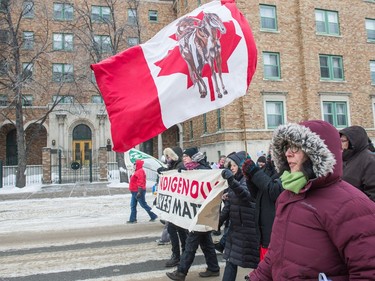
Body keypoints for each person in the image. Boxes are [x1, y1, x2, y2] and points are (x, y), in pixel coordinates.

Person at [248, 120, 375, 281]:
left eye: (296, 147)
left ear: (317, 154)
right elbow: (274, 256)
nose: (288, 153)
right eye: (287, 147)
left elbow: (368, 271)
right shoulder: (286, 197)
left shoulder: (352, 205)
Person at [166, 147, 220, 281]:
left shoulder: (203, 170)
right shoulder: (190, 169)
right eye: (183, 156)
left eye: (186, 156)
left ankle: (181, 272)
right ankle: (213, 268)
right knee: (206, 243)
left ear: (193, 157)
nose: (184, 158)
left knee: (191, 244)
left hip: (202, 212)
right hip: (195, 212)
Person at [219, 151, 259, 281]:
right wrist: (216, 223)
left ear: (241, 166)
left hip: (249, 230)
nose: (232, 168)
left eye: (234, 165)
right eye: (230, 165)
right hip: (235, 229)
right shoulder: (234, 181)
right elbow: (229, 207)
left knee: (257, 262)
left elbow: (246, 195)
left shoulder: (248, 180)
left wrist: (231, 180)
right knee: (230, 260)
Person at [242, 154, 284, 261]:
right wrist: (249, 177)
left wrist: (254, 172)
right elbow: (256, 195)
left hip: (275, 233)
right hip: (263, 233)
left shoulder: (286, 170)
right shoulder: (267, 168)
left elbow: (274, 191)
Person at [158, 147, 188, 267]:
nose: (167, 158)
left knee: (178, 230)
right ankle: (179, 254)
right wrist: (163, 172)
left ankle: (179, 255)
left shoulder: (180, 166)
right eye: (167, 156)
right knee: (175, 230)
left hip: (179, 204)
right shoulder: (173, 166)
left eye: (169, 156)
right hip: (173, 204)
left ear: (175, 156)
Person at [339, 125, 375, 201]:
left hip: (361, 209)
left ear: (353, 143)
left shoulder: (370, 160)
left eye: (342, 141)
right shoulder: (343, 157)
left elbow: (372, 193)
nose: (339, 144)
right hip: (342, 207)